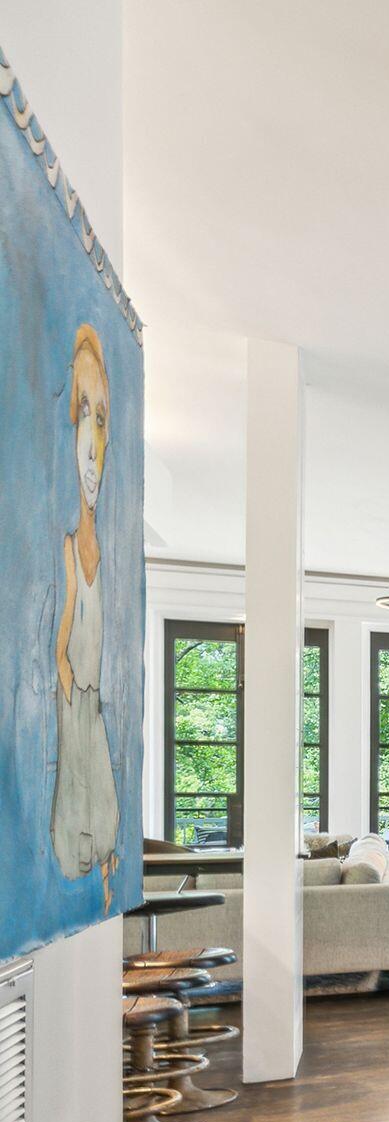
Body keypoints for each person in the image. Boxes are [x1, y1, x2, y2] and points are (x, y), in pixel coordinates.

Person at [51, 325, 121, 909]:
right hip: (79, 711)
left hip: (90, 711)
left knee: (105, 827)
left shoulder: (103, 552)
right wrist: (73, 699)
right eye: (83, 412)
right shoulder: (71, 548)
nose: (93, 438)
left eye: (101, 418)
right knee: (82, 832)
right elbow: (61, 646)